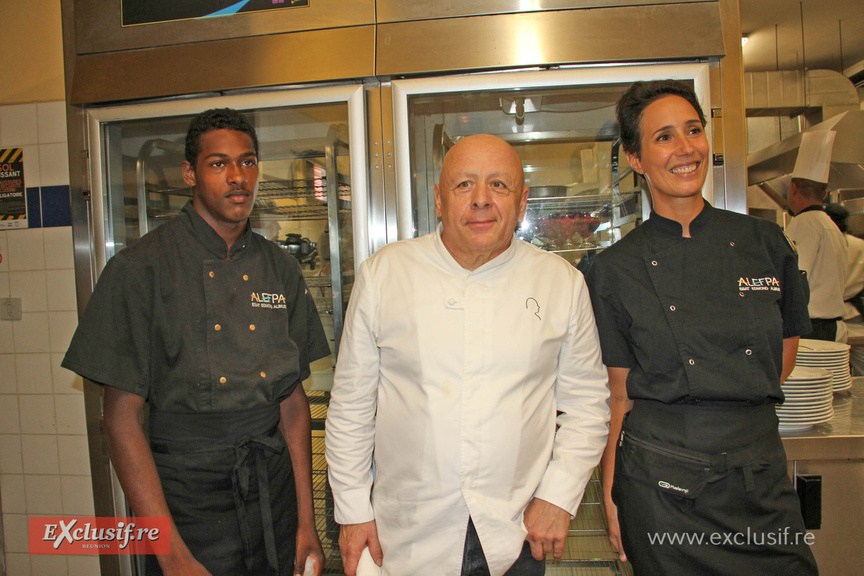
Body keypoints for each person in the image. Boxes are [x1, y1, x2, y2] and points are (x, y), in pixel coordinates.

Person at [325, 134, 610, 576]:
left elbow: (588, 406)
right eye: (464, 186)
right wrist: (352, 510)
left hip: (514, 533)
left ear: (522, 201)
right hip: (404, 536)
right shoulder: (386, 273)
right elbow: (351, 407)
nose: (481, 200)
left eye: (499, 185)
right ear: (438, 199)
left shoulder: (561, 283)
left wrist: (558, 496)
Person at [62, 108, 330, 576]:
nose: (237, 177)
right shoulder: (140, 269)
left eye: (247, 162)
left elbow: (292, 404)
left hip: (273, 493)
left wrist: (307, 522)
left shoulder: (280, 269)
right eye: (218, 163)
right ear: (190, 173)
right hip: (184, 501)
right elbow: (120, 420)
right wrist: (172, 555)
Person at [585, 80, 819, 575]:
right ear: (636, 158)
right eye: (664, 137)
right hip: (662, 485)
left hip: (760, 475)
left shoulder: (765, 242)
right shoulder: (614, 269)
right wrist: (610, 492)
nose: (685, 148)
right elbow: (619, 394)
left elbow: (785, 356)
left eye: (693, 130)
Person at [786, 130, 847, 342]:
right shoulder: (830, 225)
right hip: (834, 326)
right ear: (824, 193)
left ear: (793, 188)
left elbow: (794, 277)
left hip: (813, 328)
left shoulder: (804, 223)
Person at [824, 202, 864, 374]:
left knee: (835, 366)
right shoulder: (860, 245)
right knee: (861, 362)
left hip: (831, 313)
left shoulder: (828, 244)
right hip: (855, 313)